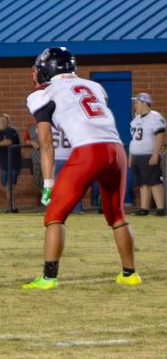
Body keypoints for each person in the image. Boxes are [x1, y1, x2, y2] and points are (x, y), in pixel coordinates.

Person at [22, 48, 140, 288]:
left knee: (54, 215)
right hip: (116, 150)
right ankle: (130, 274)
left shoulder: (43, 94)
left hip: (87, 151)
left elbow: (45, 144)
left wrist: (47, 183)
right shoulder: (94, 86)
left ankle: (48, 277)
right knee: (117, 215)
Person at [129, 92, 165, 216]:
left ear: (145, 103)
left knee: (154, 182)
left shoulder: (155, 116)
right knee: (142, 183)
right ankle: (144, 208)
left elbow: (160, 135)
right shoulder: (136, 118)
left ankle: (160, 208)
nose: (135, 106)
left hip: (149, 155)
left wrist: (155, 154)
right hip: (137, 156)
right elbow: (133, 139)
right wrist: (131, 157)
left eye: (137, 103)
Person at [0, 114, 22, 212]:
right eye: (0, 121)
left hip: (13, 163)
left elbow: (9, 142)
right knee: (6, 184)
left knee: (10, 184)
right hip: (3, 163)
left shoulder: (11, 130)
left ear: (8, 122)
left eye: (4, 121)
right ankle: (11, 206)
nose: (2, 123)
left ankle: (11, 206)